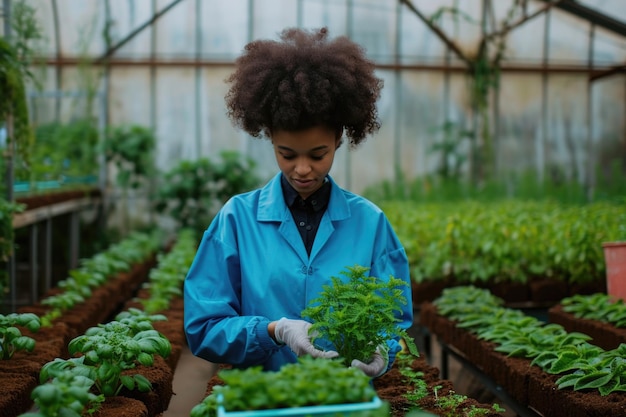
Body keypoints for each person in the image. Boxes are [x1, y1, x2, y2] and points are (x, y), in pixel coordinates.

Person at [183, 27, 413, 378]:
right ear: (270, 137)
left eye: (317, 154)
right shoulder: (236, 220)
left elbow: (393, 321)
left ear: (338, 139)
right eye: (286, 154)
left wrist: (383, 348)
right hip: (262, 400)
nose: (302, 169)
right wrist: (274, 331)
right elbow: (204, 327)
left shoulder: (371, 222)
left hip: (342, 400)